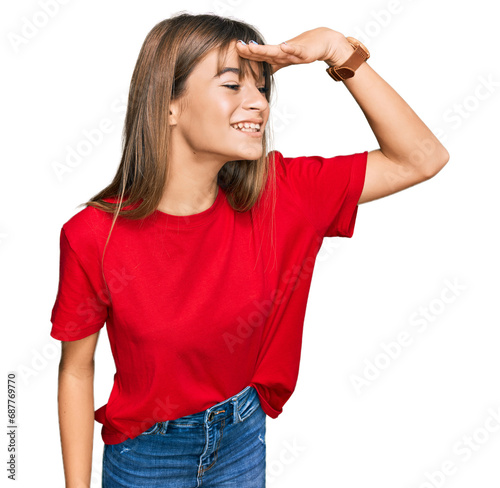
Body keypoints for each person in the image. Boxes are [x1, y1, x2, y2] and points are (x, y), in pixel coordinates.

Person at [49, 11, 449, 488]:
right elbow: (77, 370)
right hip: (146, 456)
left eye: (262, 88)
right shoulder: (92, 234)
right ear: (169, 105)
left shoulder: (281, 194)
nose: (259, 102)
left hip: (241, 439)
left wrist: (336, 48)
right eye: (233, 85)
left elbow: (422, 157)